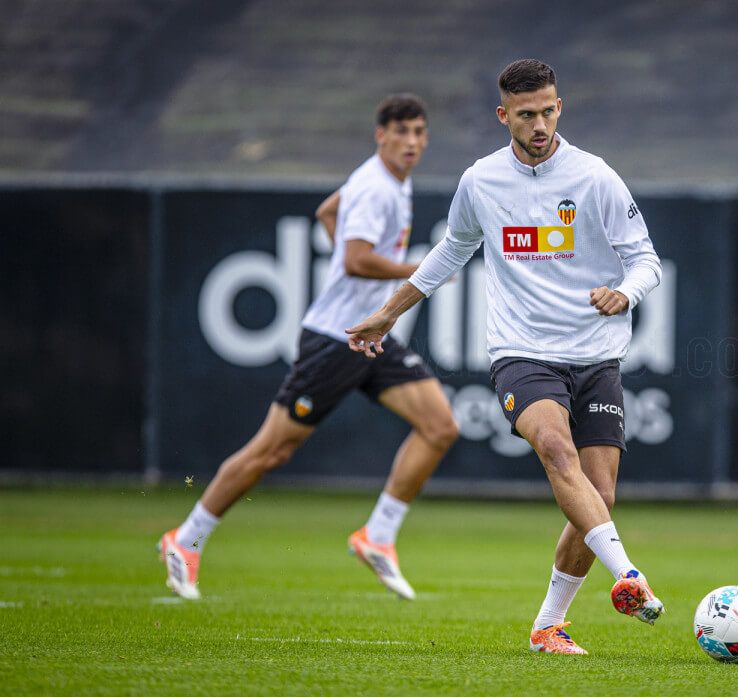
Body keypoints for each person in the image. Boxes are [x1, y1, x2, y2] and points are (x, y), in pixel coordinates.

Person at [345, 59, 664, 655]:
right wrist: (391, 310)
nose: (539, 124)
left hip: (596, 354)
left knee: (599, 496)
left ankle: (549, 625)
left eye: (547, 111)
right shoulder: (482, 181)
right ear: (503, 117)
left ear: (559, 108)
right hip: (522, 352)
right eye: (526, 115)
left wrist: (625, 291)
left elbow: (645, 257)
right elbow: (453, 250)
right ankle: (629, 574)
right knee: (553, 445)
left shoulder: (595, 177)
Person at [159, 94, 459, 601]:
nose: (411, 142)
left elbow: (326, 210)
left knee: (439, 425)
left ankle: (377, 536)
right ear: (380, 135)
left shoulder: (385, 183)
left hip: (371, 336)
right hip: (335, 340)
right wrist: (421, 270)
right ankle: (186, 538)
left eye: (418, 132)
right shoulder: (376, 189)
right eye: (401, 132)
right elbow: (357, 260)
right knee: (272, 450)